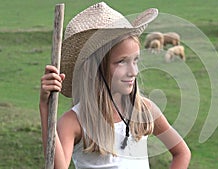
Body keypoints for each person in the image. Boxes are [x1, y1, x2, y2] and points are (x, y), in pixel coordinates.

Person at [39, 2, 191, 169]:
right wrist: (46, 108)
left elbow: (182, 152)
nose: (133, 71)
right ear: (92, 69)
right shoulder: (74, 122)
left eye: (135, 60)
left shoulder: (144, 110)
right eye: (121, 62)